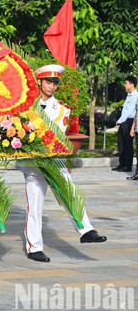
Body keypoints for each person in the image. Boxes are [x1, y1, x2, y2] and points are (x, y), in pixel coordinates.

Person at [20, 64, 107, 262]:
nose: (51, 86)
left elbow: (54, 135)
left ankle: (86, 230)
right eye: (48, 82)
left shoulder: (61, 109)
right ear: (39, 82)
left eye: (54, 83)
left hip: (54, 160)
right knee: (34, 206)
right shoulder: (24, 106)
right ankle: (34, 248)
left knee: (70, 191)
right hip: (33, 162)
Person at [113, 76, 137, 172]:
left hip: (129, 121)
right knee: (121, 143)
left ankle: (128, 165)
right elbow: (124, 109)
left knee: (128, 144)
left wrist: (120, 120)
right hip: (124, 121)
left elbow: (130, 110)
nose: (125, 85)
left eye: (126, 83)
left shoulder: (135, 96)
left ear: (132, 85)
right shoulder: (129, 95)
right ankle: (122, 163)